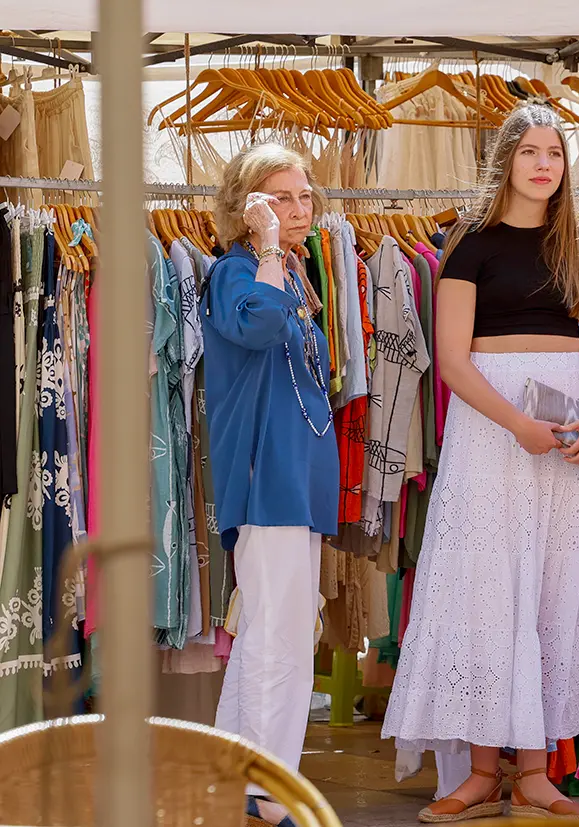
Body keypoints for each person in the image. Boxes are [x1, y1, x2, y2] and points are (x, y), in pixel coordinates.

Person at [380, 104, 579, 822]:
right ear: (507, 161)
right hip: (493, 427)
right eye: (530, 151)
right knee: (486, 585)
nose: (544, 163)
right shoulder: (469, 241)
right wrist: (518, 423)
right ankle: (482, 773)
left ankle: (534, 773)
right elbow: (454, 361)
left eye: (554, 152)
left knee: (554, 584)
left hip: (569, 425)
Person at [201, 143, 339, 827]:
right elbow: (256, 327)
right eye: (279, 196)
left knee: (270, 629)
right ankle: (265, 788)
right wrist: (265, 248)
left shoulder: (295, 274)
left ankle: (238, 778)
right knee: (278, 638)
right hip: (265, 478)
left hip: (295, 478)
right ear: (247, 204)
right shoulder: (235, 273)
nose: (296, 209)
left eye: (304, 196)